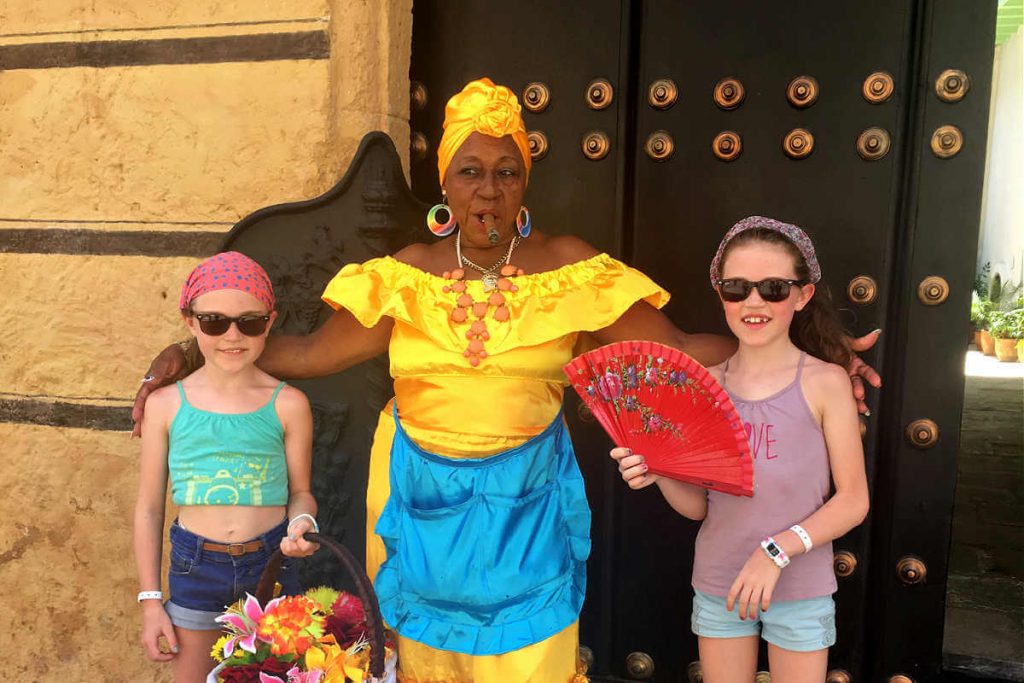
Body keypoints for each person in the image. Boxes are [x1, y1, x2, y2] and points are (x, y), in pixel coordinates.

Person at [132, 81, 880, 683]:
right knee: (425, 659)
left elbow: (682, 350)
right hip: (418, 503)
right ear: (444, 182)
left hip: (529, 507)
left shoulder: (568, 270)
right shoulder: (405, 277)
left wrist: (814, 351)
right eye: (470, 172)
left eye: (506, 172)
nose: (488, 191)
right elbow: (303, 354)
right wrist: (190, 351)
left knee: (530, 660)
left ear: (525, 182)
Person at [611, 216, 871, 683]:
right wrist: (659, 471)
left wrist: (775, 552)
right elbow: (700, 507)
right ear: (721, 294)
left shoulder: (825, 383)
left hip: (801, 586)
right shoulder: (704, 387)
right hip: (721, 581)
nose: (754, 302)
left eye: (773, 288)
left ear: (802, 295)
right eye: (736, 288)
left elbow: (853, 500)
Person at [133, 252, 318, 683]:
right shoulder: (166, 405)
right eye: (215, 322)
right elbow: (149, 508)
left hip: (272, 562)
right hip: (196, 566)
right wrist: (151, 601)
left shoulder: (289, 404)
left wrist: (303, 523)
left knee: (279, 676)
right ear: (190, 322)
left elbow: (300, 492)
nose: (233, 335)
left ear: (269, 322)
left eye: (249, 323)